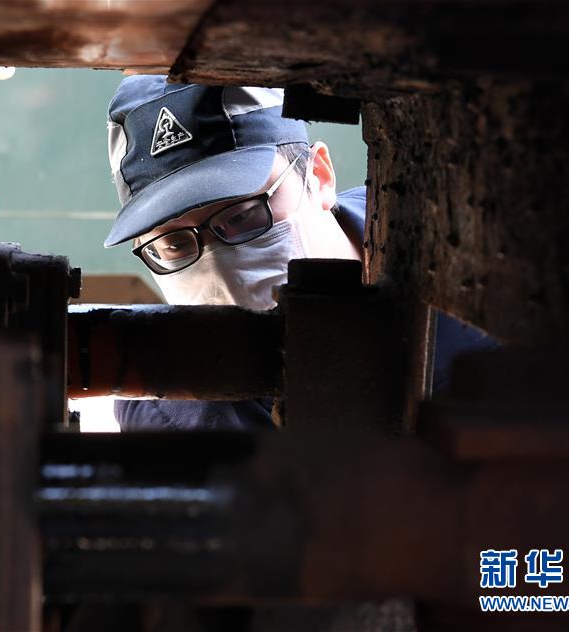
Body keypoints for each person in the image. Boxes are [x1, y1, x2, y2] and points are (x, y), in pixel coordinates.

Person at [103, 75, 494, 431]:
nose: (220, 269)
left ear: (319, 176)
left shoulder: (470, 262)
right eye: (174, 244)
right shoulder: (174, 408)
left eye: (242, 215)